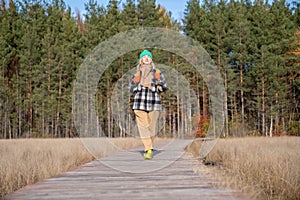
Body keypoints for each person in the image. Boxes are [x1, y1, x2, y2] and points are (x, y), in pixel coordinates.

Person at [129, 49, 167, 159]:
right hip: (140, 102)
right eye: (144, 56)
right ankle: (148, 149)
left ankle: (149, 146)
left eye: (148, 56)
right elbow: (131, 88)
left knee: (152, 127)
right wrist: (136, 84)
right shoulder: (137, 73)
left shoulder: (157, 72)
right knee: (143, 127)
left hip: (154, 101)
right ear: (141, 60)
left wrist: (158, 83)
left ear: (151, 59)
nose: (146, 58)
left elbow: (164, 87)